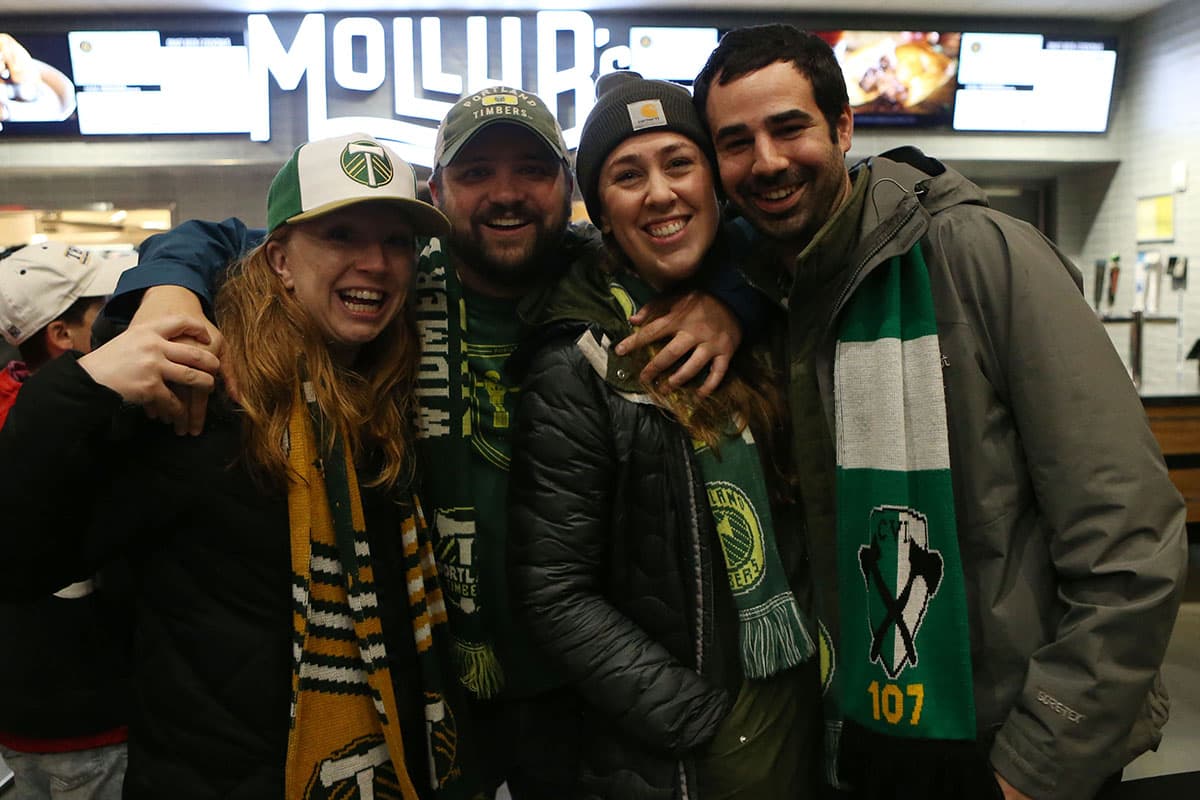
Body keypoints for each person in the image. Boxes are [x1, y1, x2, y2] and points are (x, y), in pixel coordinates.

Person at [96, 84, 754, 799]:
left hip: (587, 683)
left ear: (569, 187)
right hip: (432, 670)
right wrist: (166, 288)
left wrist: (729, 297)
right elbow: (224, 241)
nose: (505, 194)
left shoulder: (609, 281)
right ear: (436, 191)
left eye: (531, 170)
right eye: (475, 174)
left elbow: (746, 232)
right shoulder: (394, 277)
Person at [617, 23, 1188, 800]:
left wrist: (1037, 760)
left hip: (1010, 740)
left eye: (790, 127)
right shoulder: (775, 296)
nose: (769, 160)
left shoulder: (982, 256)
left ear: (844, 127)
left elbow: (1130, 534)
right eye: (737, 142)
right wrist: (730, 299)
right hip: (858, 730)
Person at [0, 132, 484, 800]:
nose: (376, 262)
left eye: (397, 241)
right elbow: (26, 559)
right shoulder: (204, 396)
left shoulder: (394, 394)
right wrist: (82, 387)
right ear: (280, 259)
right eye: (341, 235)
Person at [506, 71, 823, 799]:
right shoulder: (579, 360)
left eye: (680, 163)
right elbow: (555, 592)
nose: (659, 193)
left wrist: (735, 303)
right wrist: (704, 722)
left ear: (717, 185)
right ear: (603, 213)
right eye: (627, 175)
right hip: (694, 749)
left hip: (819, 701)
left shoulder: (778, 311)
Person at [0, 243, 135, 800]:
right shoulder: (72, 433)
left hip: (30, 721)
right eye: (107, 309)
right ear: (62, 335)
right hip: (81, 726)